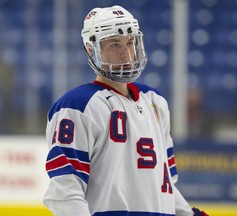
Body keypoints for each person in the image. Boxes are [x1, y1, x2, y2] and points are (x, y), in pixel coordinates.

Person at [43, 5, 209, 216]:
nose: (126, 55)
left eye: (130, 43)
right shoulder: (77, 107)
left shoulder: (155, 102)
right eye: (114, 45)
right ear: (92, 49)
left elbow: (162, 184)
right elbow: (65, 191)